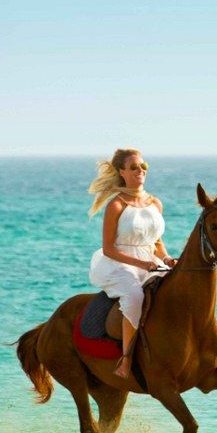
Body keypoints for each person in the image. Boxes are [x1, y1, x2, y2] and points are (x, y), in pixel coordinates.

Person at [87, 148, 177, 378]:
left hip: (150, 260)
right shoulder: (116, 205)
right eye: (134, 167)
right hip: (119, 263)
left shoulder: (155, 203)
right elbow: (109, 248)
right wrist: (142, 264)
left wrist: (166, 258)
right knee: (135, 296)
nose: (140, 171)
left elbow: (156, 241)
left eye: (143, 166)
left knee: (177, 288)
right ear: (122, 172)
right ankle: (126, 359)